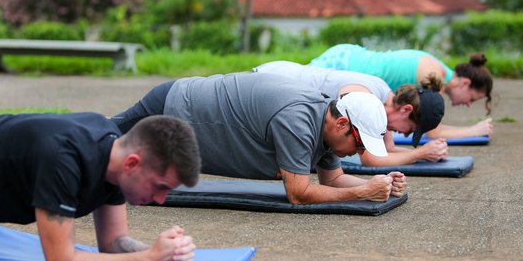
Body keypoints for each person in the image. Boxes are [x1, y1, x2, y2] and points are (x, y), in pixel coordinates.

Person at [112, 72, 407, 205]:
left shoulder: (326, 124)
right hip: (176, 106)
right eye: (359, 143)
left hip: (186, 110)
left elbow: (332, 180)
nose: (358, 151)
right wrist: (361, 193)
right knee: (108, 138)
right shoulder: (298, 120)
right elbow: (299, 193)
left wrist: (380, 183)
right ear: (342, 123)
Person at [0, 113, 201, 261]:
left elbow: (113, 243)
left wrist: (162, 251)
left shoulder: (115, 154)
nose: (161, 200)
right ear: (132, 164)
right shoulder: (62, 160)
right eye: (160, 186)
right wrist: (150, 260)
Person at [254, 60, 447, 167]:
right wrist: (420, 153)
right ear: (406, 110)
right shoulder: (364, 94)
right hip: (266, 84)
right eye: (410, 129)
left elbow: (387, 151)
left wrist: (426, 155)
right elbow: (370, 159)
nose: (404, 134)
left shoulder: (383, 102)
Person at [310, 44, 494, 139]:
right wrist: (473, 131)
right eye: (472, 98)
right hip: (343, 65)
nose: (469, 104)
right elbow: (433, 133)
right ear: (465, 83)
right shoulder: (433, 79)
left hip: (349, 55)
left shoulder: (438, 70)